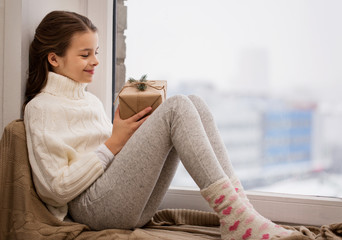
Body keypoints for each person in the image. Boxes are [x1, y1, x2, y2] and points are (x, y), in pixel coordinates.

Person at [23, 10, 293, 240]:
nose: (95, 61)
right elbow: (55, 190)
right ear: (54, 58)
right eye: (85, 55)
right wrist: (114, 143)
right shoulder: (41, 109)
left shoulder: (89, 101)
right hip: (90, 209)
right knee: (176, 107)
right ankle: (237, 220)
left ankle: (240, 212)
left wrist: (129, 137)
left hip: (119, 202)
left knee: (194, 102)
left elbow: (109, 158)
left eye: (96, 52)